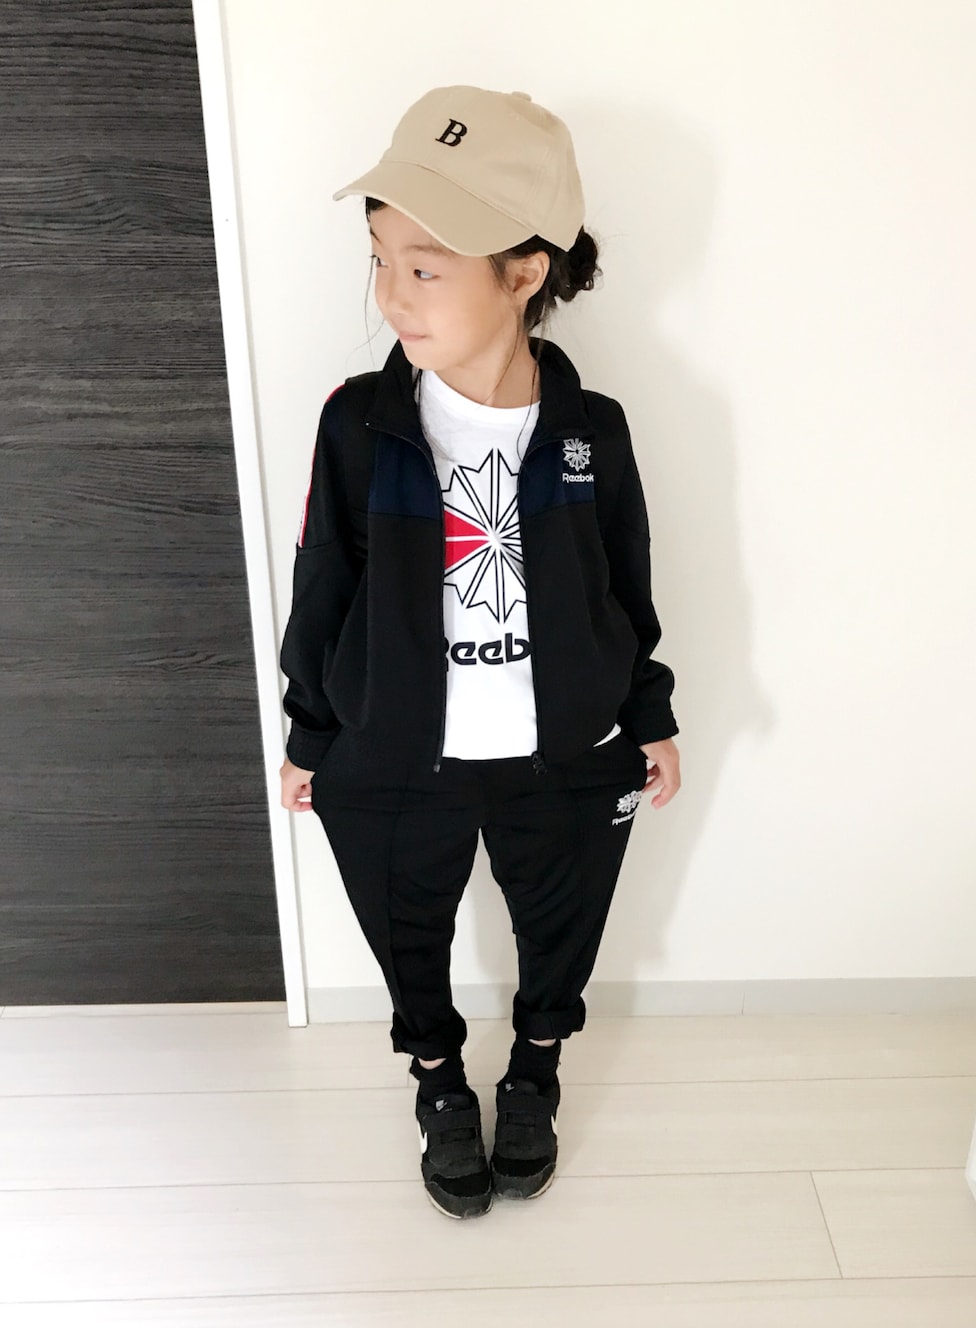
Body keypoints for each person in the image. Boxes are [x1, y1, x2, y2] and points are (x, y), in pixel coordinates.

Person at [278, 85, 681, 1221]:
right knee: (404, 927)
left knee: (561, 926)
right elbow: (324, 583)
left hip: (565, 751)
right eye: (380, 261)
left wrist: (648, 710)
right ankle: (439, 1080)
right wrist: (311, 730)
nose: (391, 294)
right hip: (395, 750)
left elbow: (625, 586)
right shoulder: (358, 424)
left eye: (425, 266)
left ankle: (535, 1069)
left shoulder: (591, 431)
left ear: (522, 272)